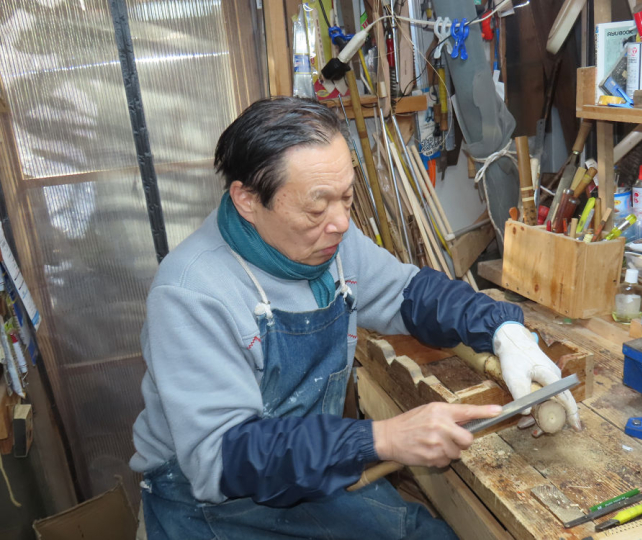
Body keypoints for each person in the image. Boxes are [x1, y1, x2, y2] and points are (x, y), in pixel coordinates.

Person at [131, 96, 581, 540]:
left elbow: (412, 294)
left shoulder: (332, 243)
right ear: (247, 200)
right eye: (317, 207)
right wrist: (379, 439)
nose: (342, 223)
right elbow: (223, 460)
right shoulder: (191, 294)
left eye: (346, 197)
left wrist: (502, 329)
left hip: (312, 466)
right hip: (218, 500)